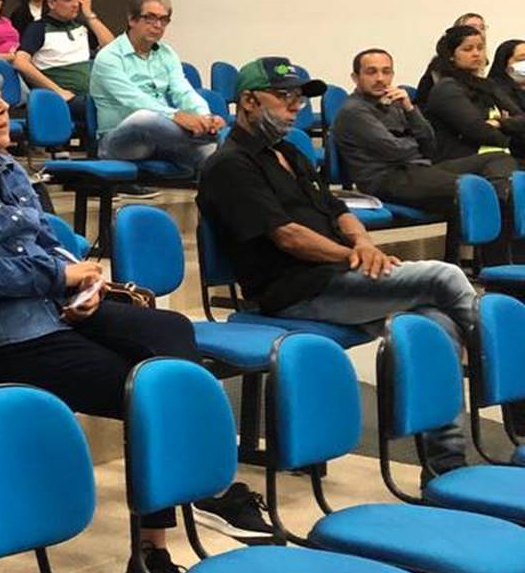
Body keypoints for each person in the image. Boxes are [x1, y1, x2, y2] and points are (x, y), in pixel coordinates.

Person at [0, 63, 243, 573]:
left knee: (172, 330)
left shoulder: (7, 169)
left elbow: (44, 240)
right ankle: (156, 543)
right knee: (147, 390)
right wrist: (59, 276)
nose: (3, 107)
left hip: (52, 309)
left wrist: (84, 281)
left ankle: (189, 487)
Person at [200, 57, 481, 479]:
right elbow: (288, 236)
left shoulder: (289, 152)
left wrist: (363, 243)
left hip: (335, 280)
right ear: (248, 101)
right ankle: (503, 375)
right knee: (445, 275)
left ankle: (446, 466)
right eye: (284, 97)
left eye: (299, 98)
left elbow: (337, 209)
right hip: (293, 292)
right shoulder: (229, 165)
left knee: (436, 322)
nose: (296, 106)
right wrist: (351, 255)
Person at [333, 48, 513, 231]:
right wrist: (416, 141)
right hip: (388, 179)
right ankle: (499, 214)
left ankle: (499, 202)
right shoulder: (354, 111)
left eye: (386, 72)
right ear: (355, 77)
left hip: (418, 170)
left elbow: (430, 143)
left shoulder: (395, 103)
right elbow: (396, 151)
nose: (380, 78)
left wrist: (410, 109)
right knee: (471, 188)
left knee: (498, 159)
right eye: (371, 72)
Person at [89, 0, 221, 174]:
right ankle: (204, 138)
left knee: (213, 155)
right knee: (144, 118)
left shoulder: (167, 54)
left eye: (163, 19)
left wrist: (204, 117)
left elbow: (183, 90)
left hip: (162, 138)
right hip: (120, 141)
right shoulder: (109, 56)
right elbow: (135, 100)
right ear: (132, 20)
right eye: (150, 18)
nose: (158, 25)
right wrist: (176, 116)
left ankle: (206, 138)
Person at [422, 26, 525, 164]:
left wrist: (499, 123)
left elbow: (522, 118)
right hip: (463, 159)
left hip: (499, 155)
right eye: (468, 49)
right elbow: (479, 131)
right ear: (451, 55)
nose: (476, 54)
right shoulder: (447, 88)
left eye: (480, 48)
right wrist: (511, 132)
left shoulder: (488, 85)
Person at [13, 0, 113, 119]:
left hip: (89, 97)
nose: (75, 4)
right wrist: (58, 91)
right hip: (62, 101)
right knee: (110, 108)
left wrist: (89, 15)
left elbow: (110, 48)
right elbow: (20, 62)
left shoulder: (81, 26)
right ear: (52, 3)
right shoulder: (39, 28)